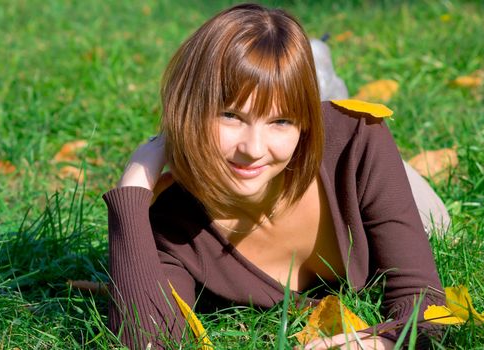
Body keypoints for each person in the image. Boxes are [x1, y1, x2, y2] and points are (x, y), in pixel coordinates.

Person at [103, 3, 445, 349]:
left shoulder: (359, 142)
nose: (253, 148)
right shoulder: (173, 225)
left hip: (349, 161)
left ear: (303, 123)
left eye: (281, 120)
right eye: (231, 115)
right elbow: (147, 341)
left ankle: (317, 82)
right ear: (189, 109)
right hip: (292, 149)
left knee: (437, 223)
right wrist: (133, 187)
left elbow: (424, 301)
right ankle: (301, 82)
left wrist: (381, 343)